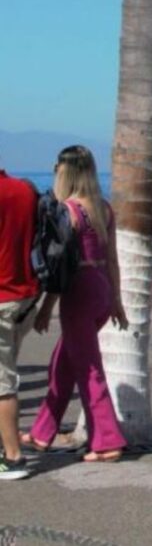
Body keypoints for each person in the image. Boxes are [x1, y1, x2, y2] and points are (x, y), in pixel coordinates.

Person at [26, 146, 128, 463]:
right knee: (63, 361)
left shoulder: (67, 211)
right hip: (99, 288)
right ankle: (43, 432)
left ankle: (108, 441)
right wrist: (117, 300)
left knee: (88, 368)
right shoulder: (103, 209)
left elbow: (60, 267)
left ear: (65, 172)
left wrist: (44, 307)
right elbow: (112, 260)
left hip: (79, 291)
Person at [0, 161, 41, 480]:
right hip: (26, 295)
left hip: (3, 295)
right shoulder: (25, 190)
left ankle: (12, 457)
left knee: (2, 382)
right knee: (7, 367)